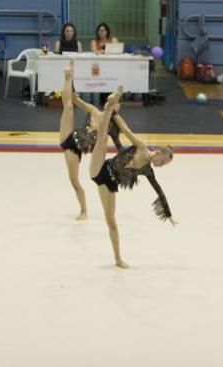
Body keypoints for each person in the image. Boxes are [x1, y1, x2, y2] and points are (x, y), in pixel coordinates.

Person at [88, 87, 174, 268]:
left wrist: (168, 213)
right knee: (102, 138)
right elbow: (125, 130)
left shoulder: (148, 170)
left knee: (111, 222)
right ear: (158, 153)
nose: (161, 165)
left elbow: (159, 191)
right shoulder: (142, 146)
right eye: (162, 161)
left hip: (109, 184)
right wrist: (114, 114)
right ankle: (110, 104)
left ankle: (118, 258)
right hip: (101, 169)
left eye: (164, 165)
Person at [58, 62, 123, 220]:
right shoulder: (94, 111)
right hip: (69, 135)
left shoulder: (105, 128)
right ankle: (68, 75)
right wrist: (72, 88)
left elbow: (103, 148)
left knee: (74, 181)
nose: (115, 106)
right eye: (114, 103)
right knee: (68, 107)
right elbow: (76, 101)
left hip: (74, 149)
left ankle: (84, 211)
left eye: (117, 105)